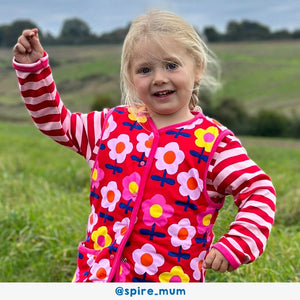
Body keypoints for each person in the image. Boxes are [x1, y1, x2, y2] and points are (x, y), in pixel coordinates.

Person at [12, 10, 276, 282]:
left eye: (171, 65)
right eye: (145, 69)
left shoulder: (215, 145)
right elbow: (56, 122)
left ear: (198, 68)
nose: (159, 78)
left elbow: (259, 190)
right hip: (95, 279)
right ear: (130, 77)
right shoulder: (109, 126)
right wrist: (34, 72)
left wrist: (238, 243)